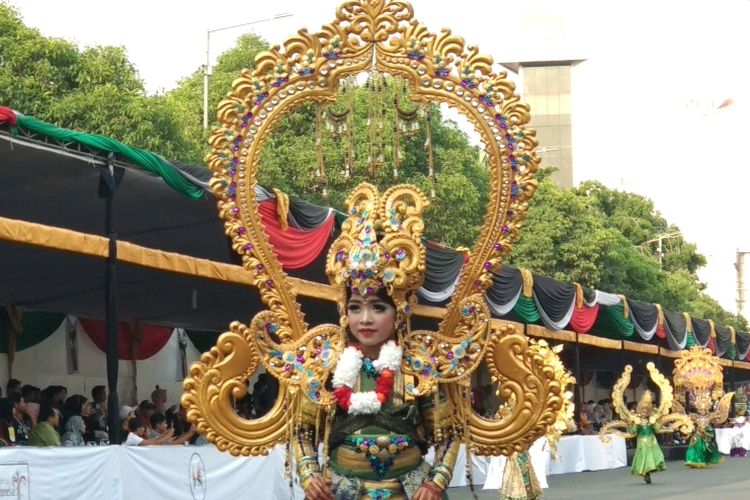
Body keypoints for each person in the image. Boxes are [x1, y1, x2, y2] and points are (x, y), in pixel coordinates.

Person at [685, 395, 722, 468]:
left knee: (704, 449)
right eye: (701, 410)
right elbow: (690, 423)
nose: (702, 411)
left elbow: (711, 426)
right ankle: (693, 461)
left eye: (704, 410)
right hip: (697, 435)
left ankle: (702, 460)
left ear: (706, 410)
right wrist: (692, 430)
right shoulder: (696, 417)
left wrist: (705, 431)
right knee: (694, 447)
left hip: (705, 436)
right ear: (698, 410)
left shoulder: (708, 418)